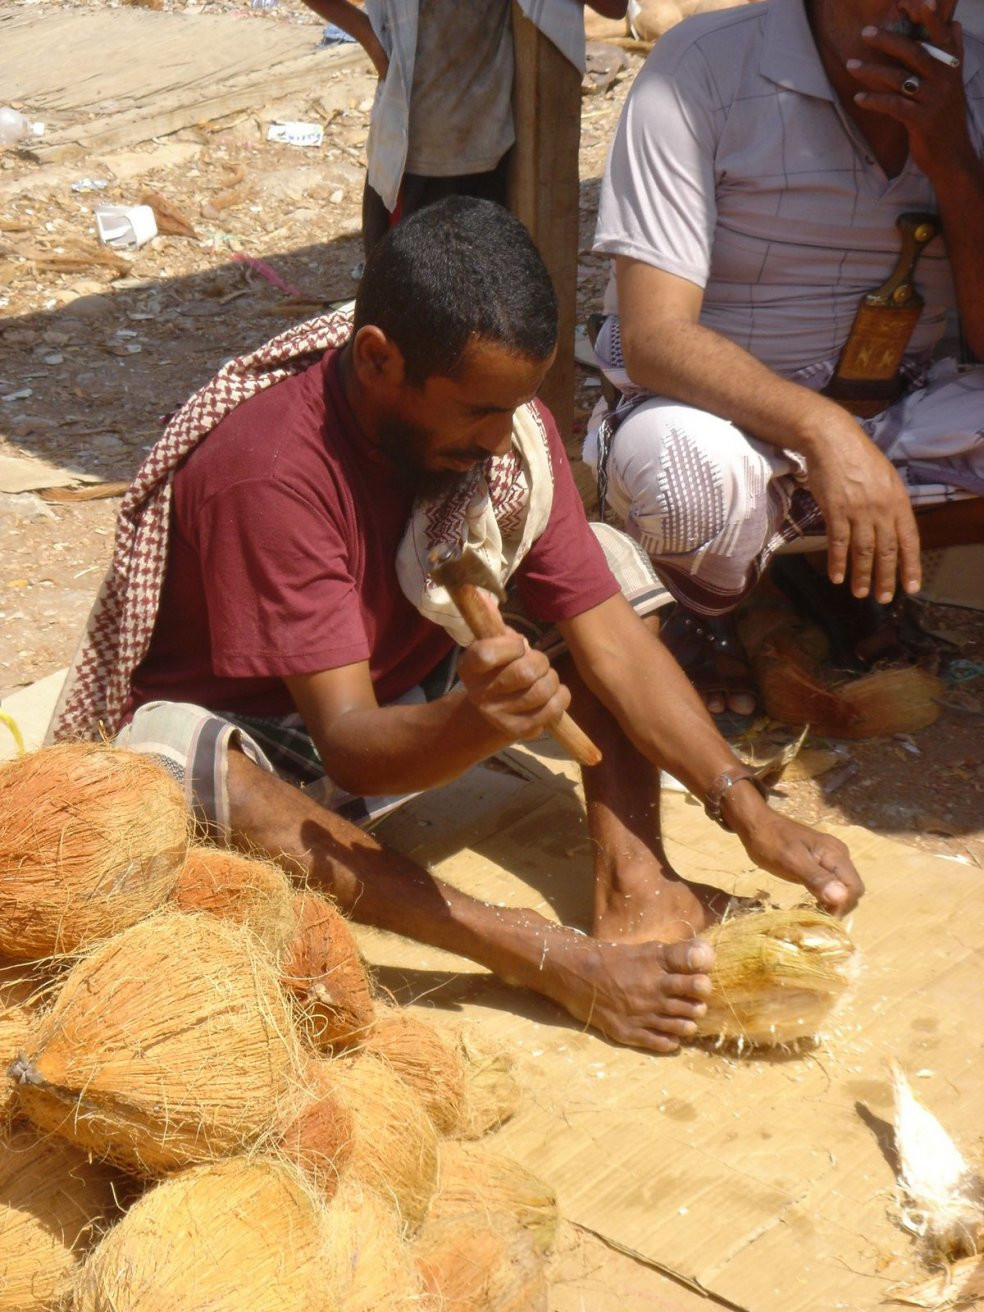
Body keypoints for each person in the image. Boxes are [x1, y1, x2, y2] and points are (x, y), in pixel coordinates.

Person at [49, 198, 862, 1054]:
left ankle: (636, 884)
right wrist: (477, 721)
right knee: (167, 756)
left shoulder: (498, 425)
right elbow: (350, 745)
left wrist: (745, 806)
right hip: (288, 750)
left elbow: (611, 636)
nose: (502, 435)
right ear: (377, 360)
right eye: (478, 410)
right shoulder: (274, 472)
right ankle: (543, 957)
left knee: (611, 570)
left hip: (413, 707)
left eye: (518, 404)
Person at [585, 0, 984, 714]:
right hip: (724, 417)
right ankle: (710, 608)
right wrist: (821, 429)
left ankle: (834, 575)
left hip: (909, 414)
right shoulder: (701, 69)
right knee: (684, 483)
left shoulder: (974, 70)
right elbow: (653, 339)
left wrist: (953, 160)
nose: (929, 8)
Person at [302, 0, 628, 252]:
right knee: (403, 307)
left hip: (488, 154)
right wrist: (371, 40)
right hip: (410, 158)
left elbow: (614, 7)